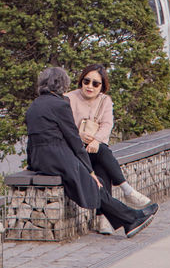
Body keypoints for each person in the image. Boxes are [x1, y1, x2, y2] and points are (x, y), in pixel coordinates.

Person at [25, 66, 159, 238]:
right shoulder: (60, 105)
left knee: (97, 184)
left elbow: (32, 139)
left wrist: (31, 163)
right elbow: (74, 139)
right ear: (62, 85)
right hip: (58, 157)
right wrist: (90, 171)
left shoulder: (34, 105)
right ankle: (131, 219)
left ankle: (130, 220)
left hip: (40, 159)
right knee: (94, 183)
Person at [66, 63, 151, 234]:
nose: (89, 86)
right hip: (76, 151)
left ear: (102, 86)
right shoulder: (69, 98)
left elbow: (107, 125)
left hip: (94, 149)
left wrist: (96, 140)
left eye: (95, 84)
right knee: (103, 153)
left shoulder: (105, 101)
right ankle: (126, 190)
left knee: (101, 162)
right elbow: (65, 127)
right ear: (81, 81)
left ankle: (103, 218)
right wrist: (79, 137)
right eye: (86, 81)